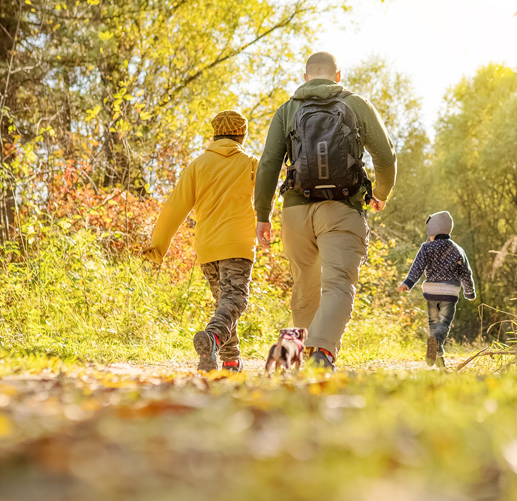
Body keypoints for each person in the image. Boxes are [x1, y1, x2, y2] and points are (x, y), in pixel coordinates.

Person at [254, 51, 397, 370]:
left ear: (305, 77)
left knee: (305, 282)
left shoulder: (288, 109)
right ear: (338, 76)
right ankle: (322, 352)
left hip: (296, 211)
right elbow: (386, 159)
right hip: (342, 207)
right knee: (338, 283)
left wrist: (262, 215)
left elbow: (268, 164)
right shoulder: (356, 104)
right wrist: (381, 193)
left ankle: (294, 350)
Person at [144, 110, 258, 372]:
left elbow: (174, 208)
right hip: (238, 244)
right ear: (242, 135)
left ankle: (229, 360)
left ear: (214, 134)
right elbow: (267, 198)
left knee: (225, 304)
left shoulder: (197, 165)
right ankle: (213, 336)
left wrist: (158, 248)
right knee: (236, 300)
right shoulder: (251, 163)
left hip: (207, 247)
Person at [397, 211, 476, 368]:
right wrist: (469, 291)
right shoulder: (457, 249)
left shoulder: (426, 248)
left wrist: (408, 283)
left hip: (432, 292)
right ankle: (437, 346)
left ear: (432, 231)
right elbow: (465, 272)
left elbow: (417, 267)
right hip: (449, 293)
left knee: (433, 322)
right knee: (444, 323)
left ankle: (437, 355)